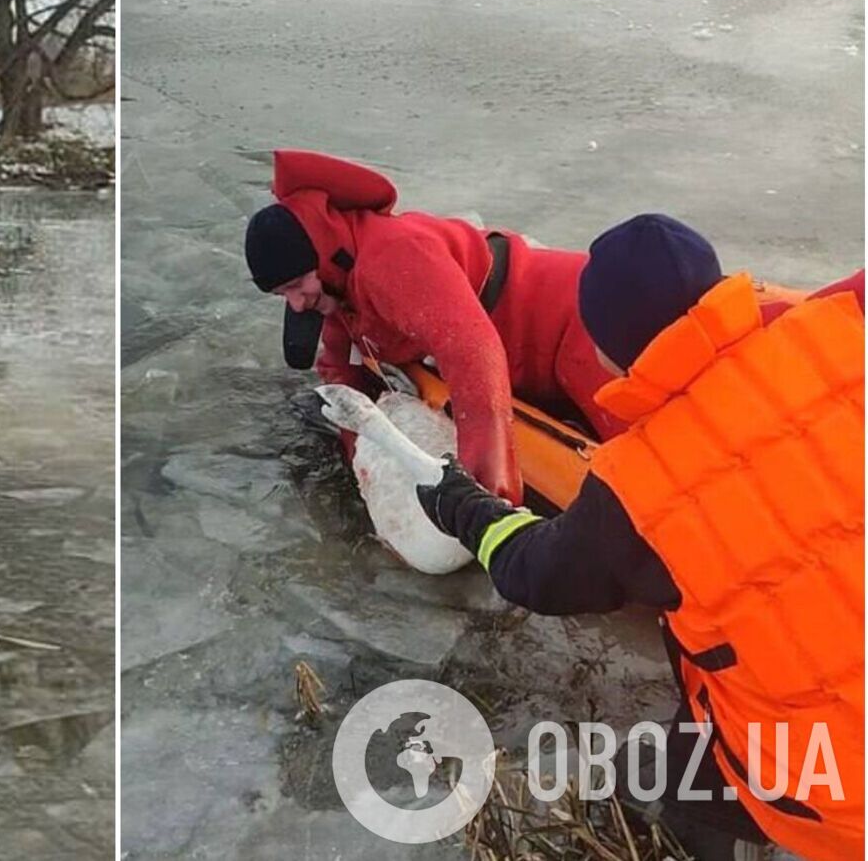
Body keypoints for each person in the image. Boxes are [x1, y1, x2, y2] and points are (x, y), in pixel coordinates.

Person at [417, 213, 864, 861]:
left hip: (838, 802)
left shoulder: (639, 483)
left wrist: (465, 509)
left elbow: (536, 574)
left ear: (605, 350)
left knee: (648, 772)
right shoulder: (843, 340)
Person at [245, 149, 626, 502]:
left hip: (579, 324)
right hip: (523, 354)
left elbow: (471, 350)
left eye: (297, 286)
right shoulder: (337, 284)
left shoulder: (392, 255)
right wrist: (361, 454)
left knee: (640, 467)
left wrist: (488, 494)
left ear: (321, 254)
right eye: (283, 295)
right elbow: (342, 370)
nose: (297, 304)